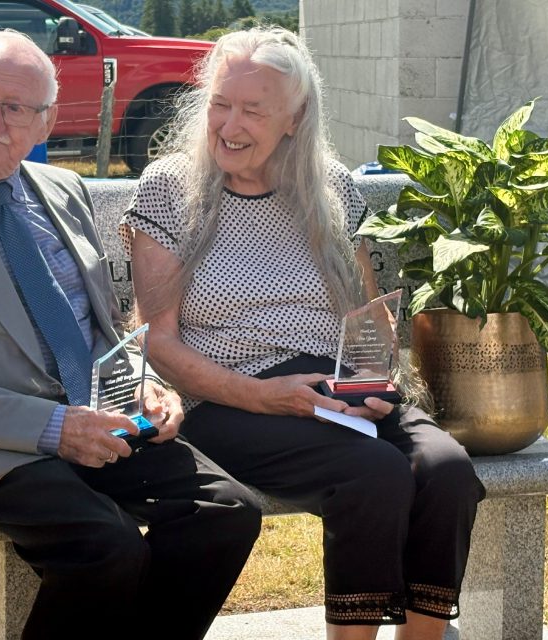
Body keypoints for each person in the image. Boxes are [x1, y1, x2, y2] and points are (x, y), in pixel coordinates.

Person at [0, 30, 261, 640]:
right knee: (107, 547)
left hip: (93, 414)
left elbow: (102, 328)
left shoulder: (63, 192)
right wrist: (56, 429)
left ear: (47, 121)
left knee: (224, 512)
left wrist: (145, 385)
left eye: (16, 108)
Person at [121, 27, 485, 640]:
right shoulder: (169, 190)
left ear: (293, 120)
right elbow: (158, 343)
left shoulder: (332, 187)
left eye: (253, 110)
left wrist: (375, 381)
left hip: (335, 394)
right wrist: (267, 395)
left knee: (447, 470)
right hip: (229, 400)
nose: (229, 124)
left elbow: (369, 315)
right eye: (220, 103)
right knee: (375, 473)